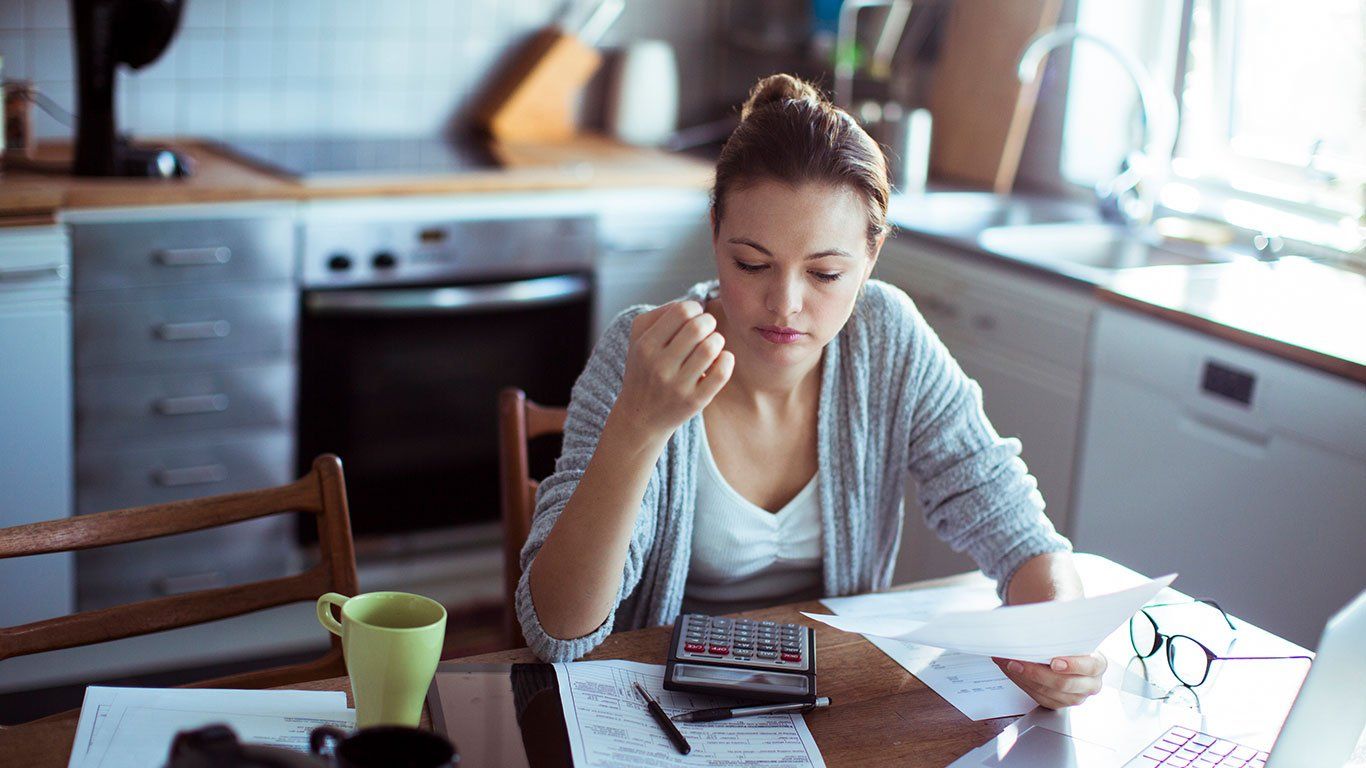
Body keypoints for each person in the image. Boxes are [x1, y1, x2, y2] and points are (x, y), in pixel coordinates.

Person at [516, 74, 1106, 709]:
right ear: (714, 232)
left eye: (825, 272)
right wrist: (638, 424)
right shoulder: (644, 353)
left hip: (830, 708)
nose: (785, 305)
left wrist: (1059, 640)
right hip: (655, 712)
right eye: (752, 264)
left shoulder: (887, 337)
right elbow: (556, 632)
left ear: (871, 255)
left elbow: (1018, 530)